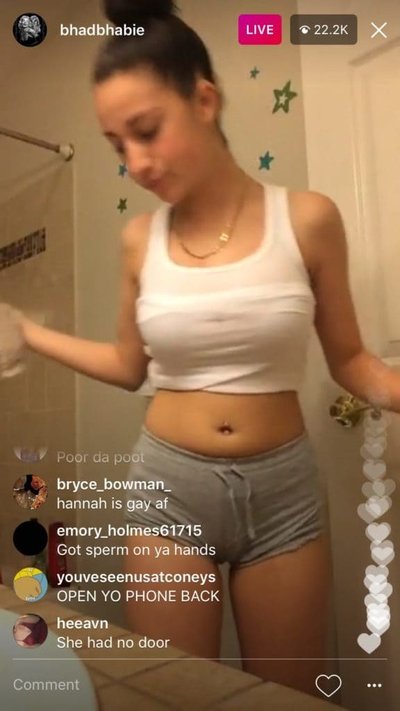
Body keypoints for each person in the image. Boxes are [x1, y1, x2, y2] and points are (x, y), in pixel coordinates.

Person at [15, 0, 395, 698]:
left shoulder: (308, 218)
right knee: (174, 694)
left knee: (286, 697)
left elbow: (353, 363)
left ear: (205, 100)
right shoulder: (140, 241)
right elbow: (129, 367)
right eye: (117, 146)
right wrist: (28, 333)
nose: (135, 163)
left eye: (146, 131)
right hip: (169, 486)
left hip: (282, 493)